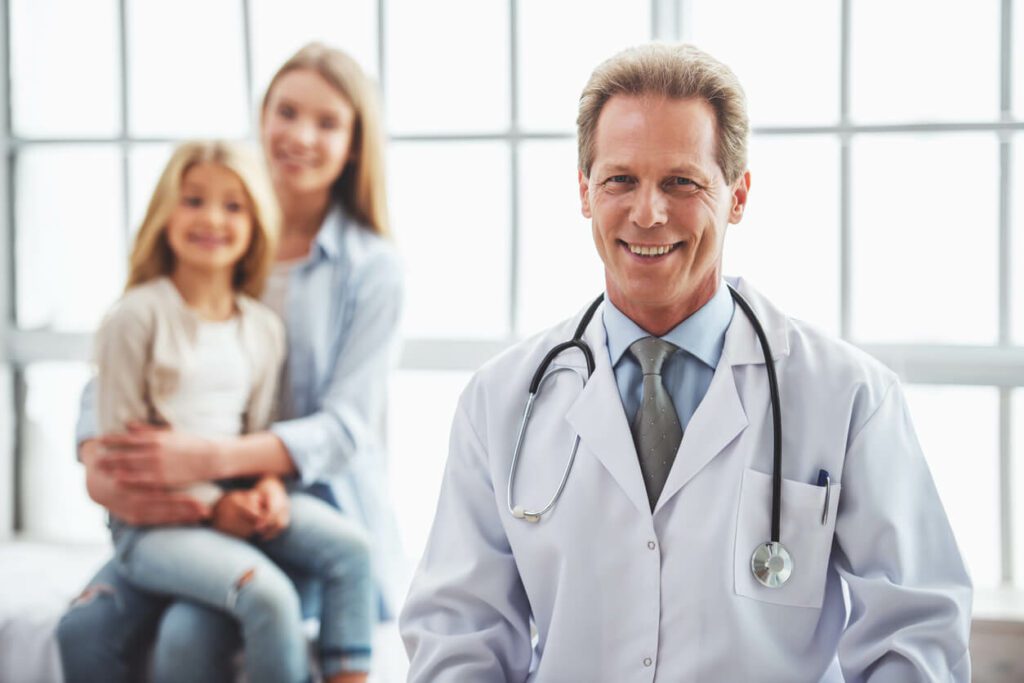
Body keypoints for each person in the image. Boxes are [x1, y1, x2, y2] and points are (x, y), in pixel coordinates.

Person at [399, 43, 972, 682]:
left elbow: (915, 634)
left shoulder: (848, 397)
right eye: (620, 179)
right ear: (585, 192)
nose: (648, 213)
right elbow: (459, 634)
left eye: (682, 181)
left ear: (738, 196)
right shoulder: (499, 402)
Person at [57, 43, 403, 682]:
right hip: (181, 499)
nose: (301, 135)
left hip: (293, 502)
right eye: (287, 112)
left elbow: (346, 427)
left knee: (189, 637)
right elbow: (119, 367)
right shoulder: (214, 237)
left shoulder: (368, 268)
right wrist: (97, 460)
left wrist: (215, 466)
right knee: (87, 624)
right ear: (262, 116)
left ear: (356, 144)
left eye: (328, 123)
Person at [93, 139, 374, 683]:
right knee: (267, 597)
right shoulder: (134, 319)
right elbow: (122, 463)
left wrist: (267, 484)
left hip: (232, 501)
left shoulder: (261, 329)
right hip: (150, 528)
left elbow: (257, 432)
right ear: (164, 212)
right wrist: (211, 509)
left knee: (353, 552)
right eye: (193, 200)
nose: (212, 219)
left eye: (233, 205)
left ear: (254, 223)